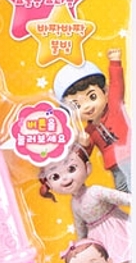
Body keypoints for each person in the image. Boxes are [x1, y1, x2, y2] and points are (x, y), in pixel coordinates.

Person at [39, 144, 131, 263]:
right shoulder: (74, 204)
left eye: (71, 169)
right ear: (49, 185)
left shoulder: (95, 191)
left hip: (117, 227)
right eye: (55, 176)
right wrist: (80, 246)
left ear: (87, 168)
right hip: (98, 239)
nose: (65, 179)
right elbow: (80, 226)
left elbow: (121, 198)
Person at [53, 49, 131, 192]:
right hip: (116, 168)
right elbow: (83, 155)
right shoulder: (88, 132)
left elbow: (117, 84)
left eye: (92, 97)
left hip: (133, 156)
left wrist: (115, 62)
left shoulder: (114, 107)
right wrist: (82, 145)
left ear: (105, 92)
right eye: (77, 105)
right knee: (124, 192)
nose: (87, 106)